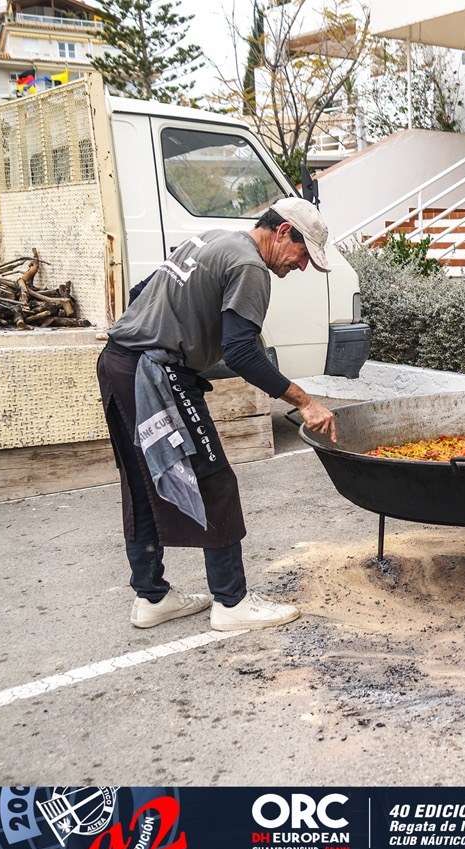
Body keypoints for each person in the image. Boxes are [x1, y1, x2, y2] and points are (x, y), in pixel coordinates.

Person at [97, 197, 338, 632]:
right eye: (303, 254)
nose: (302, 266)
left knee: (142, 482)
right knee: (215, 482)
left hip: (118, 363)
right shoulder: (249, 266)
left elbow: (140, 294)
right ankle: (232, 602)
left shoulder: (211, 239)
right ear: (284, 232)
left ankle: (151, 597)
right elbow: (241, 352)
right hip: (156, 375)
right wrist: (305, 401)